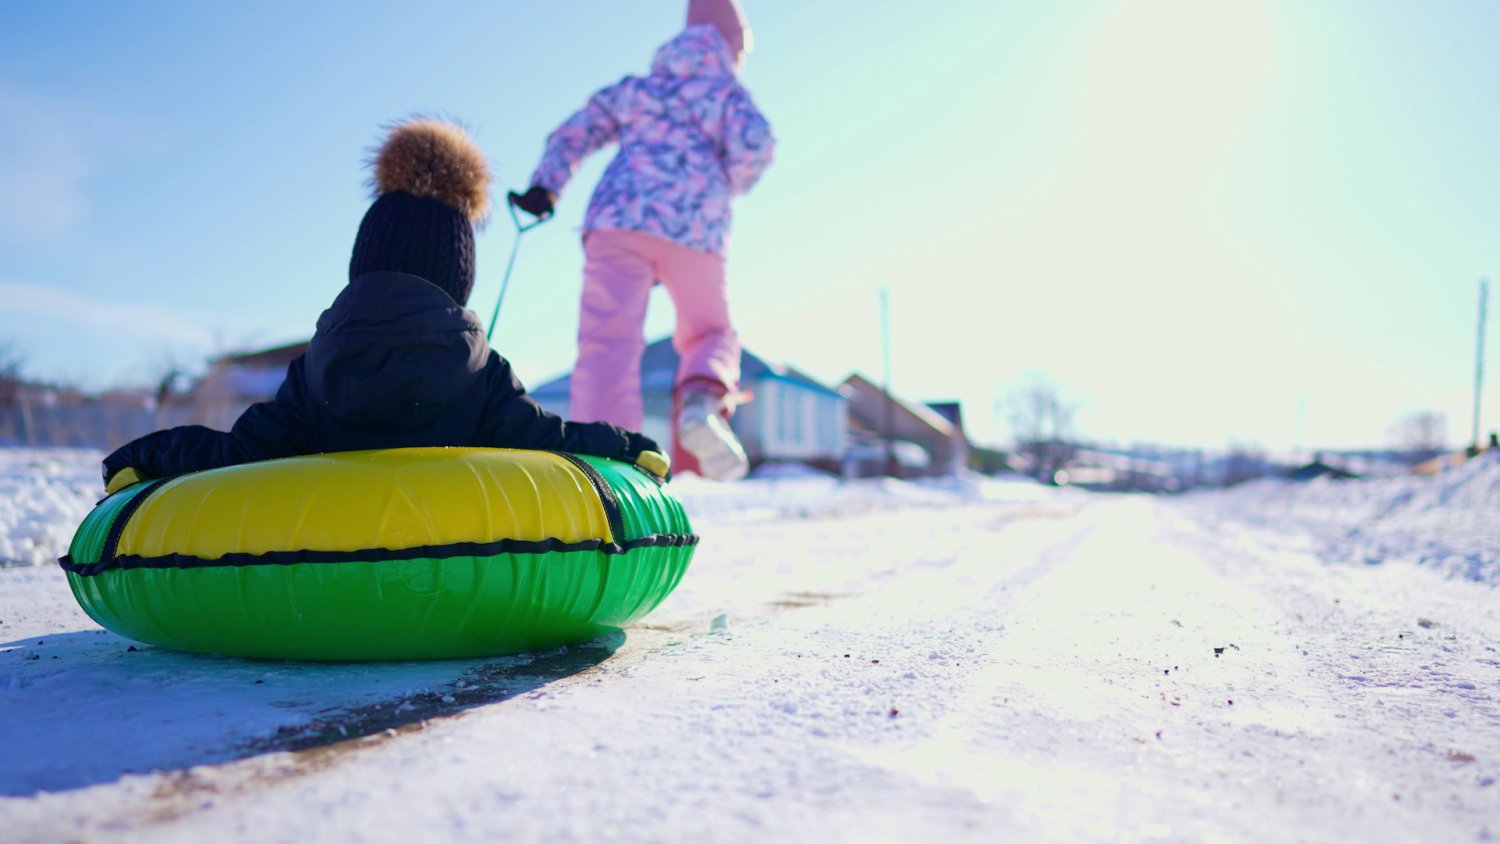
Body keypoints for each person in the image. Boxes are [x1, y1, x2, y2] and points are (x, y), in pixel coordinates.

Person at [103, 118, 665, 493]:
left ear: (362, 267)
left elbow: (240, 454)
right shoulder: (482, 376)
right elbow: (553, 444)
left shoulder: (314, 371)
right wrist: (627, 447)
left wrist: (154, 454)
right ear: (458, 280)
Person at [510, 0, 774, 482]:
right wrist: (723, 183)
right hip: (696, 227)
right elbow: (757, 146)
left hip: (618, 220)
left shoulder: (641, 87)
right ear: (733, 47)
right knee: (710, 330)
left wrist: (545, 186)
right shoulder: (727, 94)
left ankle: (604, 457)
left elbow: (579, 129)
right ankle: (700, 402)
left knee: (606, 342)